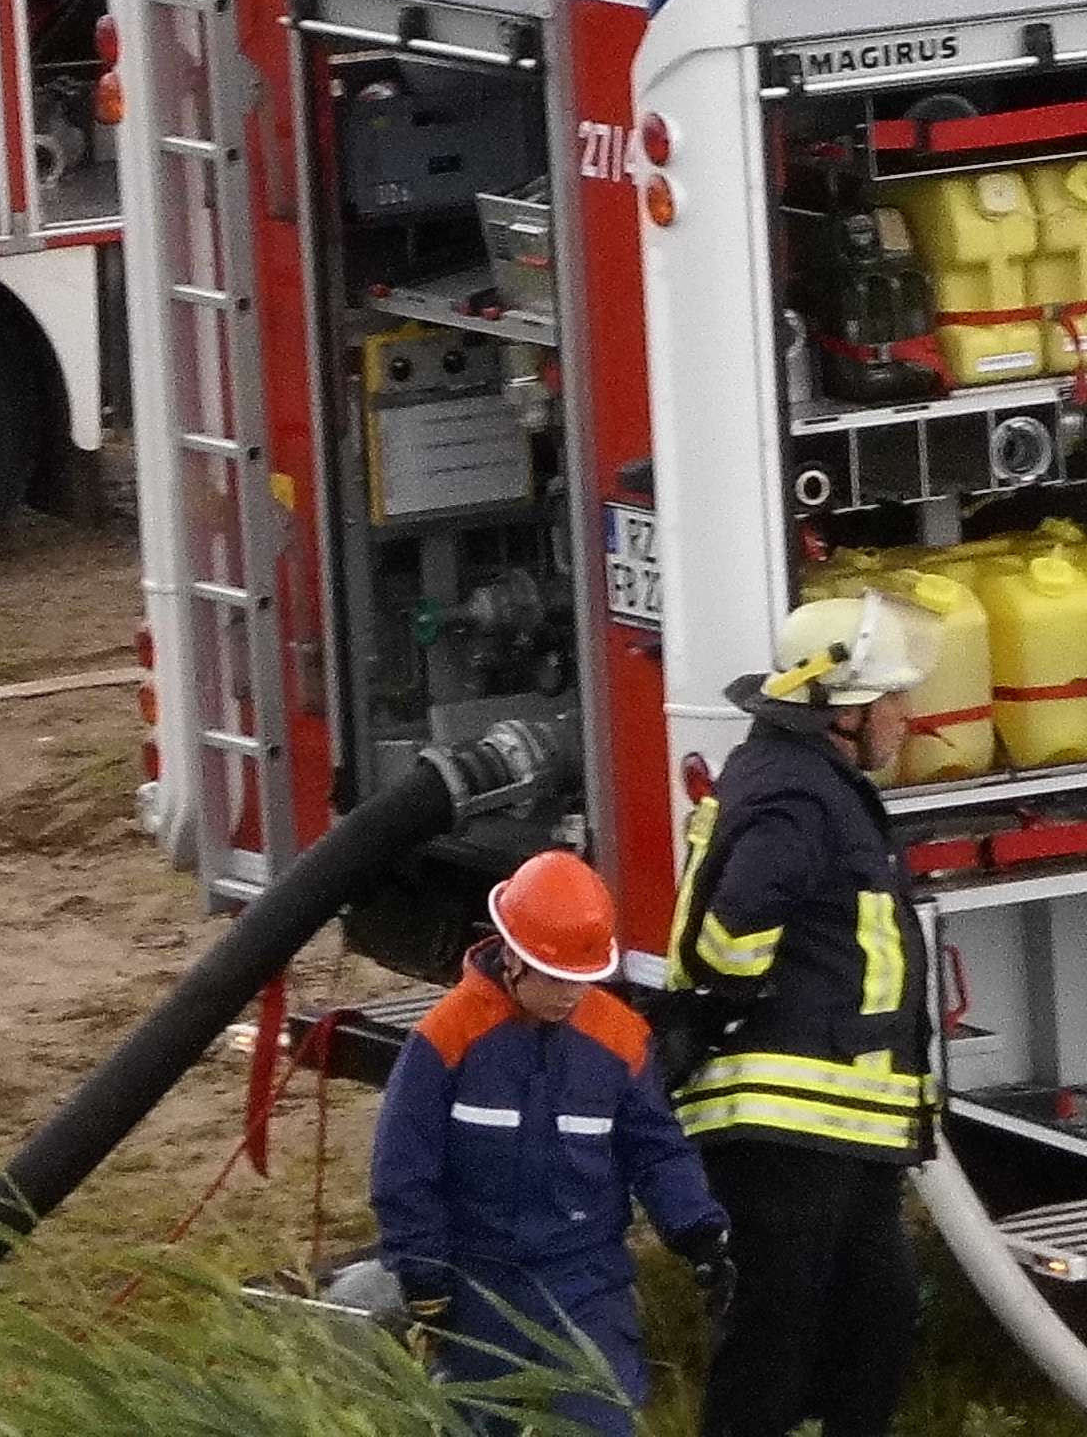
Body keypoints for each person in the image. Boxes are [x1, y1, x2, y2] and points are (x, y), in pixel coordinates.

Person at [671, 593, 940, 1437]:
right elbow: (727, 944)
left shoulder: (809, 782)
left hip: (835, 1119)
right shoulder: (796, 794)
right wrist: (766, 1002)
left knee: (877, 1317)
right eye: (892, 697)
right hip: (787, 1120)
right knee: (775, 1335)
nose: (906, 714)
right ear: (843, 711)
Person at [369, 849, 735, 1437]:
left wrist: (700, 1234)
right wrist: (424, 1276)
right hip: (479, 1286)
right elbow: (404, 1168)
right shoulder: (446, 1037)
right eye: (556, 978)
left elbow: (655, 1149)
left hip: (587, 1283)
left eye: (583, 980)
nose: (570, 995)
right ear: (513, 957)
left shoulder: (620, 1040)